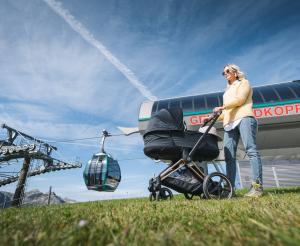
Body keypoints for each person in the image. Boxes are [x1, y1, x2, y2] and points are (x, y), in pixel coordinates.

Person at [205, 64, 263, 197]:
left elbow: (240, 100)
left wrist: (222, 107)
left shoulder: (244, 83)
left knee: (251, 150)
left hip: (244, 118)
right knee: (229, 156)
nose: (225, 74)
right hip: (229, 124)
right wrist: (210, 117)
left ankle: (257, 187)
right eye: (223, 72)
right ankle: (229, 189)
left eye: (228, 71)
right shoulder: (226, 92)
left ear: (235, 73)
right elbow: (226, 113)